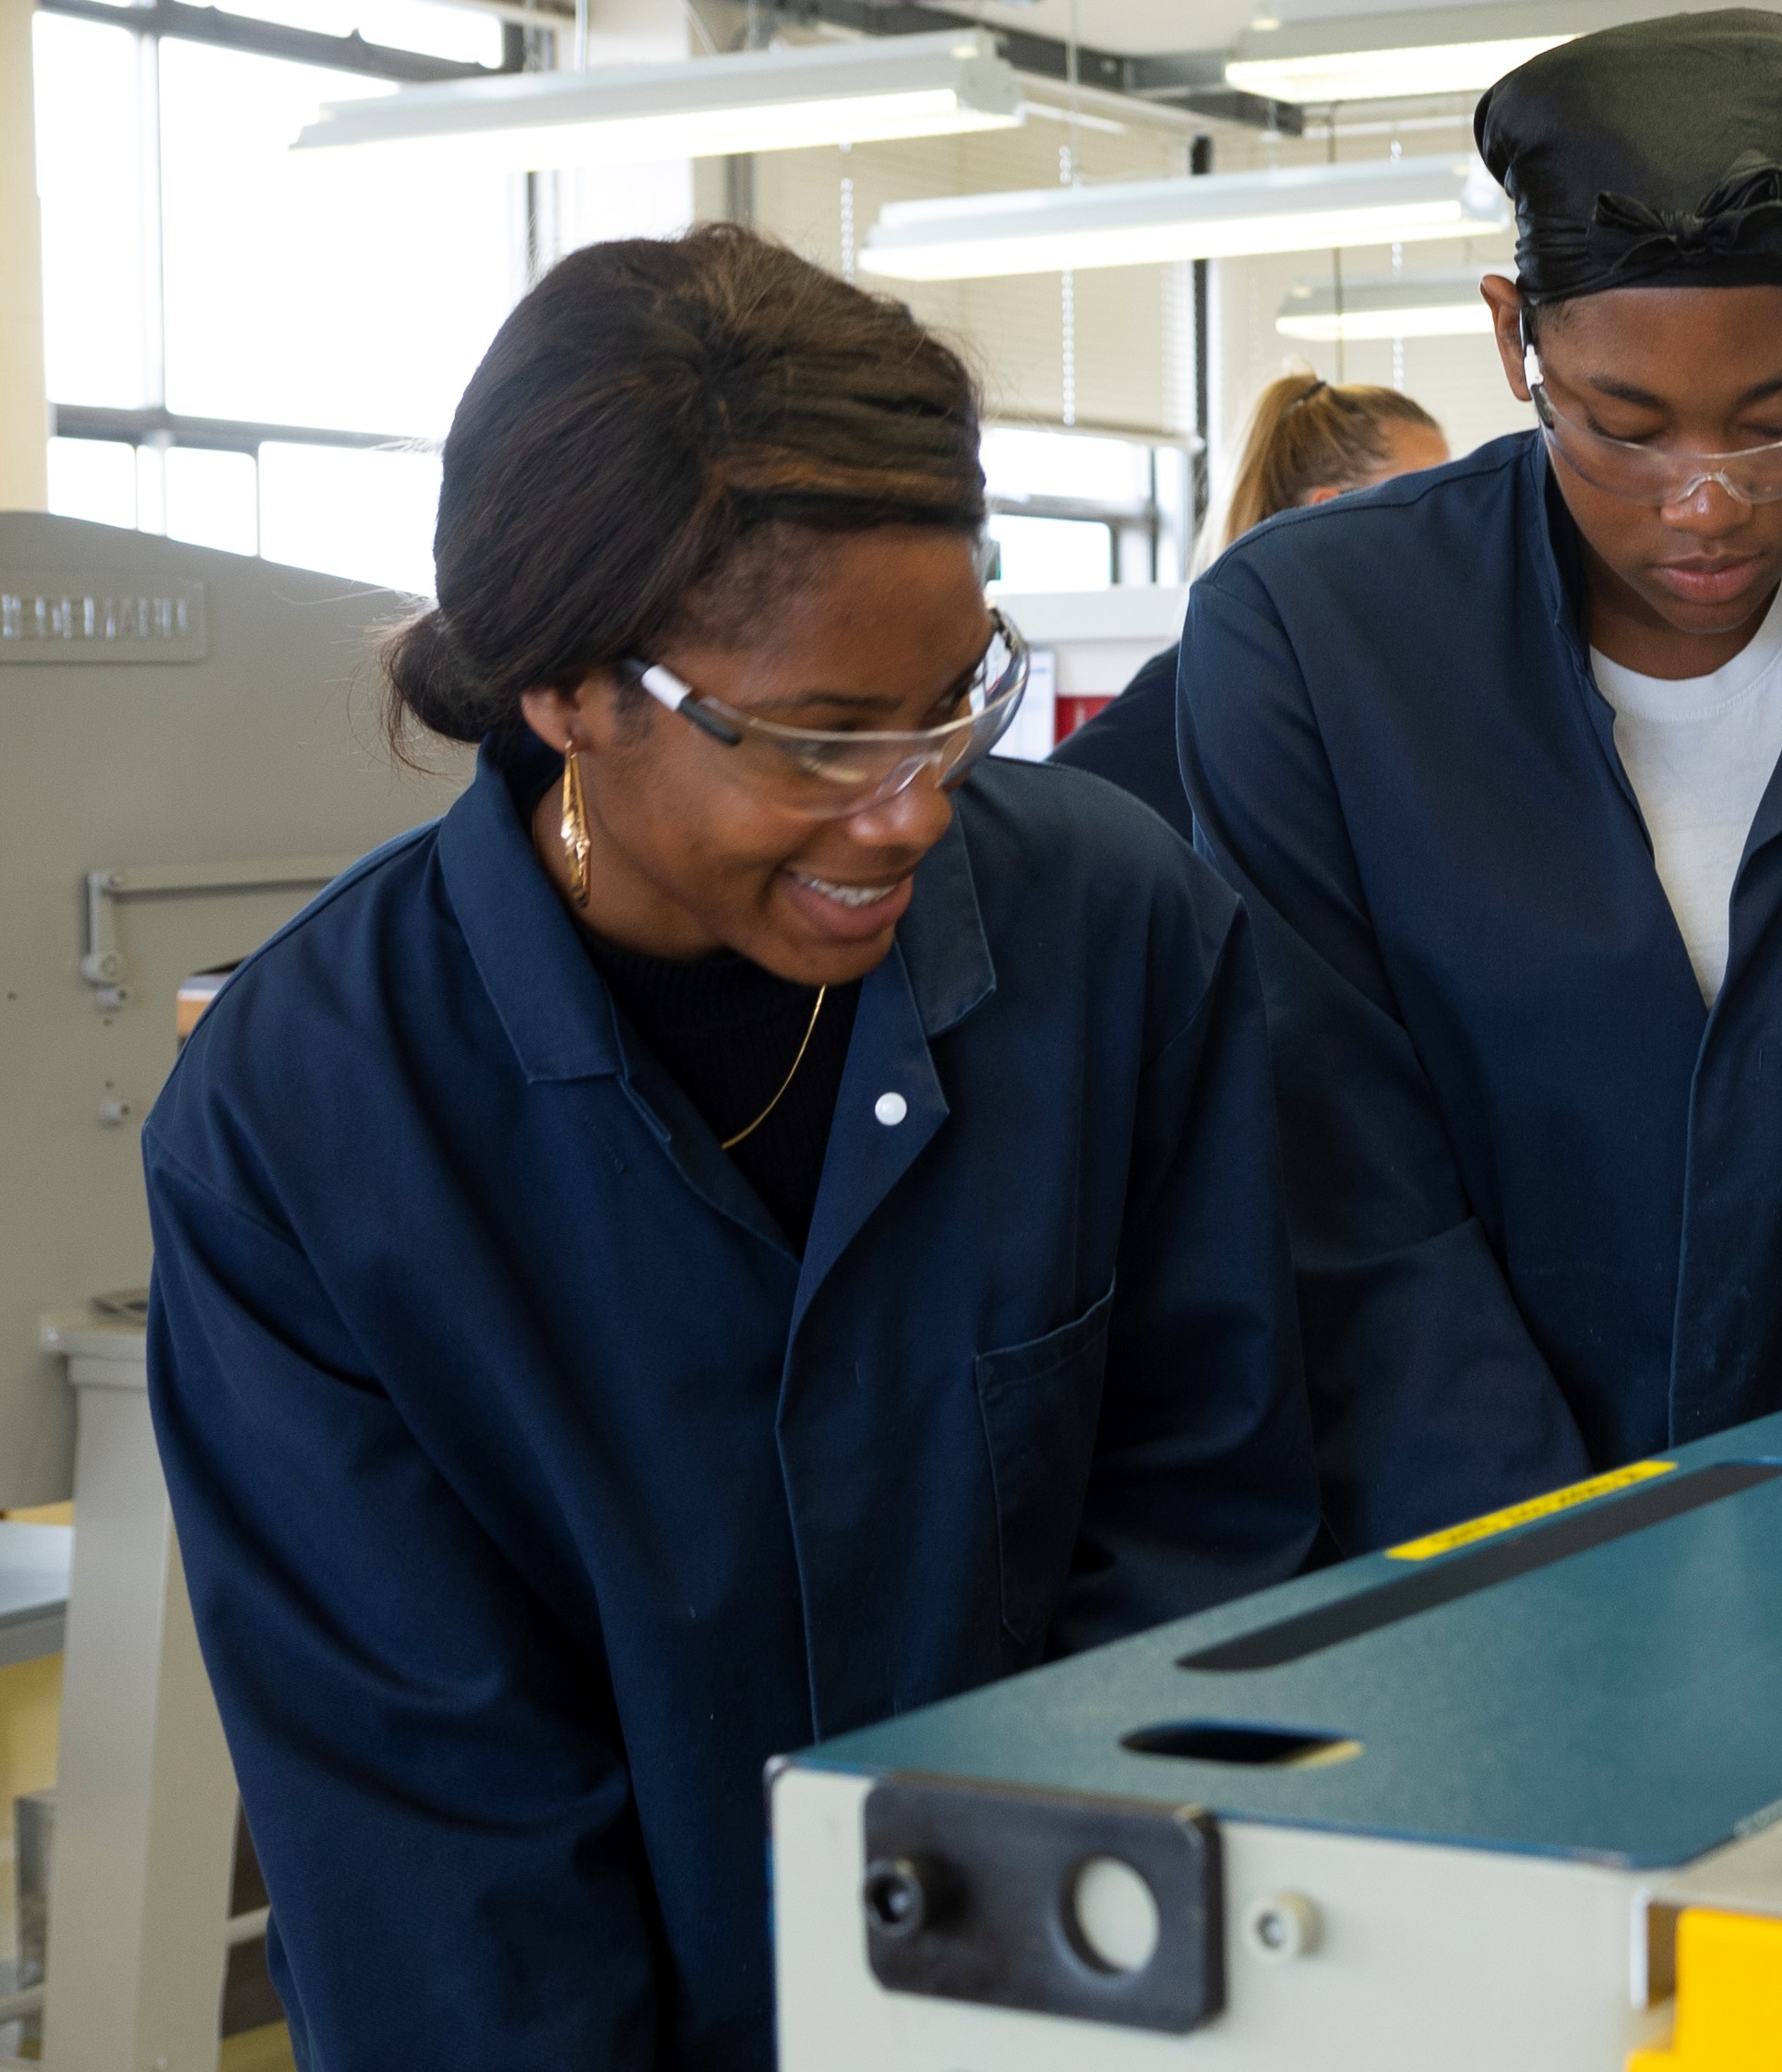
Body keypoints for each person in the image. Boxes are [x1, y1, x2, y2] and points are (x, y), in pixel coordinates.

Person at [142, 227, 1319, 2070]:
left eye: (956, 695)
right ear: (563, 689)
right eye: (821, 741)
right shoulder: (310, 1121)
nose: (914, 805)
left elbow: (1204, 1548)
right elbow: (424, 1834)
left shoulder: (1117, 938)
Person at [1177, 9, 1782, 1553]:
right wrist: (1571, 1592)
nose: (1705, 508)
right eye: (1622, 431)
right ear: (1516, 338)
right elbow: (1355, 1214)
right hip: (1475, 1581)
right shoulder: (1313, 642)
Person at [1052, 366, 1447, 837]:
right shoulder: (1210, 677)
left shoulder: (1362, 683)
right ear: (1328, 516)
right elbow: (1042, 832)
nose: (1448, 535)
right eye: (1423, 509)